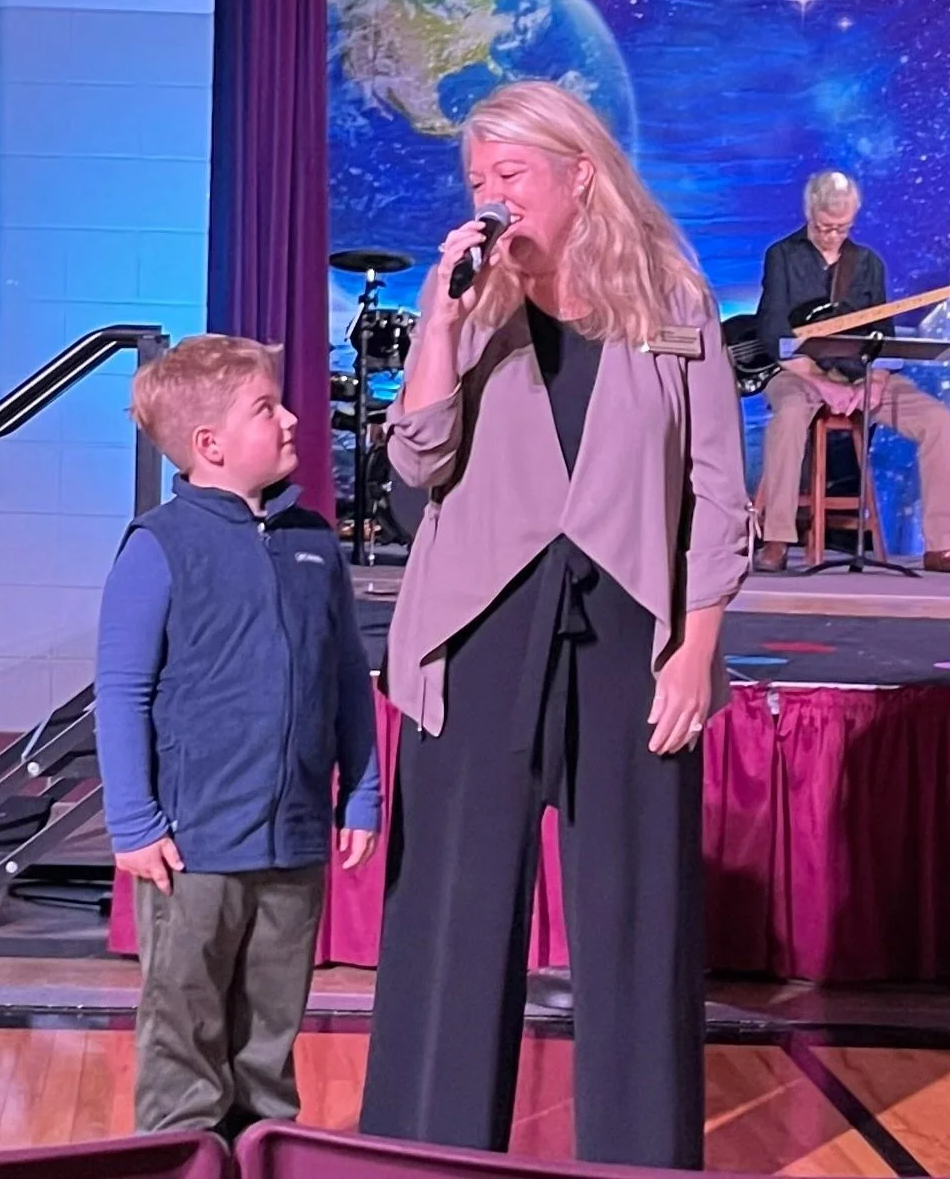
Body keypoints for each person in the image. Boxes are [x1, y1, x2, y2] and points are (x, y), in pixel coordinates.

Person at [358, 80, 752, 1169]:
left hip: (628, 625)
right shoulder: (474, 302)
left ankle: (639, 1157)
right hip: (478, 626)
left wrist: (697, 648)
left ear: (579, 174)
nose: (491, 195)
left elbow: (717, 487)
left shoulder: (670, 297)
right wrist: (440, 322)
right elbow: (415, 463)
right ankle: (425, 1156)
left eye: (511, 173)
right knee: (454, 912)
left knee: (637, 914)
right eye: (477, 178)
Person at [94, 334, 381, 1140]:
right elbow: (121, 691)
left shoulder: (313, 540)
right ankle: (182, 1156)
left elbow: (345, 676)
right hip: (193, 850)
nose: (291, 419)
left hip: (293, 842)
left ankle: (262, 1153)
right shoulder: (159, 545)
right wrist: (134, 824)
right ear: (210, 444)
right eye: (266, 408)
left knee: (268, 1042)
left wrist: (361, 795)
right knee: (184, 1035)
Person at [753, 170, 950, 574]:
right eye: (824, 227)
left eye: (842, 228)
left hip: (860, 372)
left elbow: (885, 336)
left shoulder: (867, 263)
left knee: (937, 420)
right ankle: (776, 539)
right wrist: (821, 383)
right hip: (799, 372)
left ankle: (943, 546)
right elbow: (773, 333)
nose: (832, 236)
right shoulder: (782, 256)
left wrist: (875, 383)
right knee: (788, 416)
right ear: (809, 213)